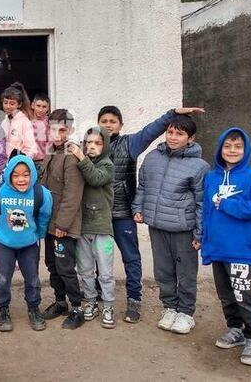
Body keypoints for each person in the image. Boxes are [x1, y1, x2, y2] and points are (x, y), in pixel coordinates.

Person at [97, 104, 204, 323]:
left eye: (112, 121)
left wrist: (173, 114)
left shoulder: (130, 144)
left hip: (122, 213)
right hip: (98, 215)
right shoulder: (91, 144)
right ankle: (99, 297)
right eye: (104, 121)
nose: (108, 125)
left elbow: (152, 129)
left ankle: (134, 301)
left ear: (121, 125)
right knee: (99, 257)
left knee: (131, 259)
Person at [201, 128, 251, 366]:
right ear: (220, 149)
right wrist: (205, 240)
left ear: (246, 150)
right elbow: (208, 212)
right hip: (219, 248)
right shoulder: (211, 178)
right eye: (227, 146)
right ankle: (236, 329)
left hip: (242, 249)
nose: (232, 151)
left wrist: (228, 205)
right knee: (226, 296)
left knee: (243, 295)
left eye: (238, 147)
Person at [132, 115, 209, 335]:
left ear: (191, 138)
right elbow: (143, 187)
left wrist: (200, 233)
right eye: (170, 132)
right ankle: (170, 308)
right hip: (157, 225)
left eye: (180, 134)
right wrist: (138, 209)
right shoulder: (152, 158)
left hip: (184, 229)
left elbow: (201, 202)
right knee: (163, 271)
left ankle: (186, 313)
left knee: (185, 273)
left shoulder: (199, 166)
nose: (173, 137)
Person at [0, 154, 52, 332]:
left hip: (29, 243)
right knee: (2, 278)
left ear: (32, 174)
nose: (21, 179)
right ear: (8, 175)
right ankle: (3, 309)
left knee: (32, 278)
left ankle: (33, 307)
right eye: (15, 175)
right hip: (4, 243)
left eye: (25, 174)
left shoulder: (40, 193)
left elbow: (44, 215)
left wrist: (40, 233)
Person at [39, 109, 85, 329]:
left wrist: (62, 225)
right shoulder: (50, 151)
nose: (56, 133)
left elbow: (72, 195)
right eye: (52, 128)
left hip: (63, 226)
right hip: (49, 223)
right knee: (52, 265)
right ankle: (60, 302)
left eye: (62, 129)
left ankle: (77, 307)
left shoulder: (71, 156)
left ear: (70, 130)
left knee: (65, 267)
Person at [69, 127, 116, 328]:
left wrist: (80, 157)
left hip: (102, 229)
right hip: (83, 226)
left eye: (97, 143)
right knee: (85, 269)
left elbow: (95, 178)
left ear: (105, 145)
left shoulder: (107, 165)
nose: (91, 147)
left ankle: (108, 305)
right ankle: (90, 301)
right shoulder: (81, 163)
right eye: (88, 143)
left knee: (105, 271)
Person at [0, 82, 37, 159]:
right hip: (4, 165)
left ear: (19, 104)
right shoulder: (4, 121)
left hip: (18, 165)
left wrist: (20, 162)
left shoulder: (24, 122)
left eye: (12, 104)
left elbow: (31, 149)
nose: (8, 106)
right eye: (5, 103)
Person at [31, 94, 51, 168]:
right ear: (33, 105)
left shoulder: (50, 123)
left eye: (44, 107)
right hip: (28, 161)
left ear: (48, 108)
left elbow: (51, 145)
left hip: (43, 162)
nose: (40, 109)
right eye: (38, 106)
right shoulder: (26, 122)